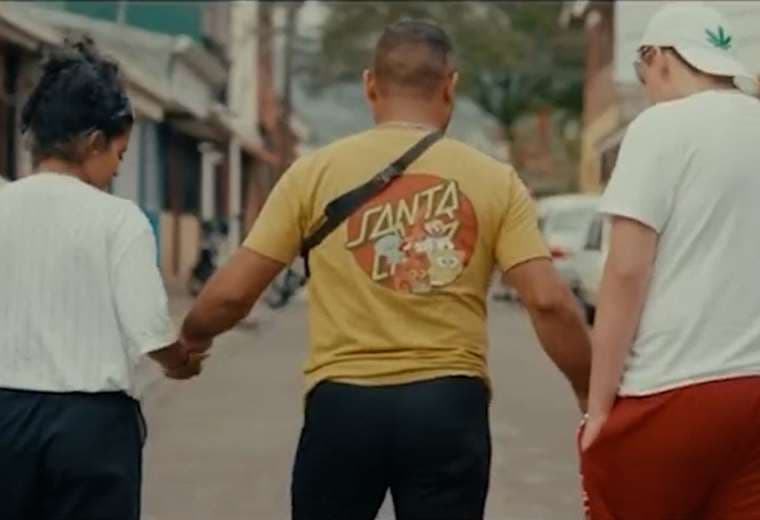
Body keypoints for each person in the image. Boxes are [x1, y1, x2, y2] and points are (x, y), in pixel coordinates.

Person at [181, 20, 590, 520]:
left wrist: (191, 340)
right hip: (448, 406)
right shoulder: (495, 181)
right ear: (450, 86)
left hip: (343, 408)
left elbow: (232, 295)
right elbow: (548, 302)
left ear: (369, 85)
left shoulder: (313, 173)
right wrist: (588, 389)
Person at [0, 39, 204, 520]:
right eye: (120, 154)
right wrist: (181, 362)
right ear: (94, 142)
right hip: (90, 430)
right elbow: (149, 330)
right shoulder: (119, 219)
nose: (116, 169)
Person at [579, 3, 760, 519]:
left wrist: (599, 405)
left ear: (657, 57)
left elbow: (625, 272)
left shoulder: (660, 126)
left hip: (671, 387)